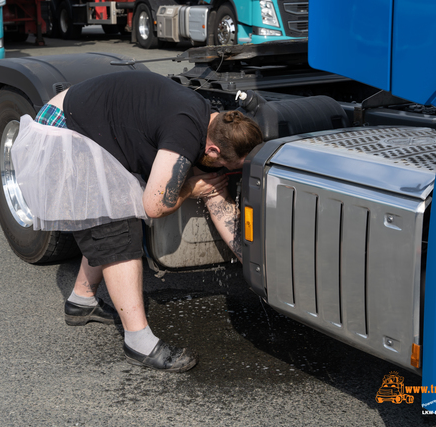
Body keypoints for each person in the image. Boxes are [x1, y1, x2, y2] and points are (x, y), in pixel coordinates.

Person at [13, 70, 263, 372]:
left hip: (88, 131)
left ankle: (81, 301)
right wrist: (191, 189)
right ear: (213, 150)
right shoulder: (184, 131)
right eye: (226, 163)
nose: (223, 169)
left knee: (109, 214)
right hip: (60, 134)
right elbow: (155, 205)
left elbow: (216, 196)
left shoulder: (210, 125)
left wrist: (254, 267)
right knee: (117, 224)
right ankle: (139, 343)